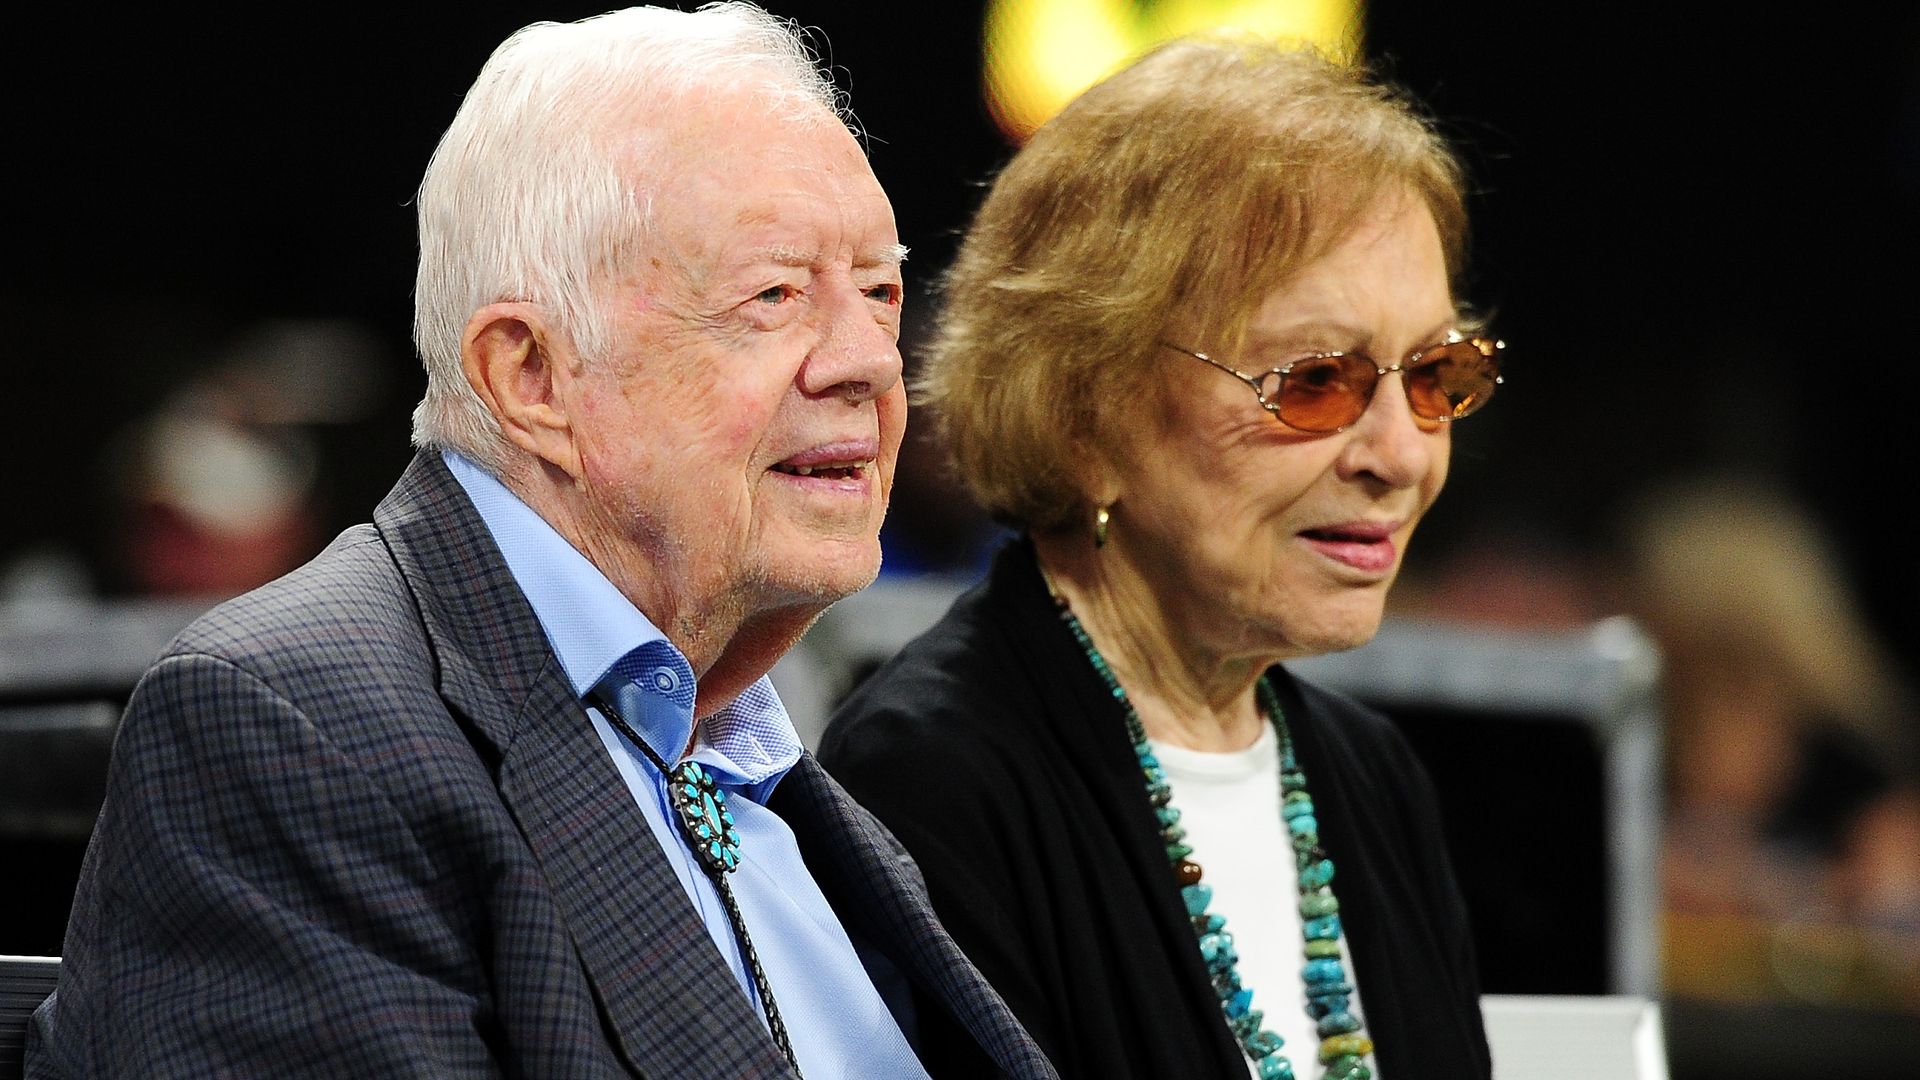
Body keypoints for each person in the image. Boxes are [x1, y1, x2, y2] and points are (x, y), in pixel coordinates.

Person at [27, 6, 1056, 1078]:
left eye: (880, 292)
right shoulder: (289, 729)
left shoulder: (753, 749)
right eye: (776, 295)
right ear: (531, 378)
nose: (871, 365)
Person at [819, 35, 1499, 1080]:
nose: (1401, 454)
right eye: (1316, 379)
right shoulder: (927, 787)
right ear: (1086, 414)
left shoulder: (1371, 778)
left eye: (1437, 375)